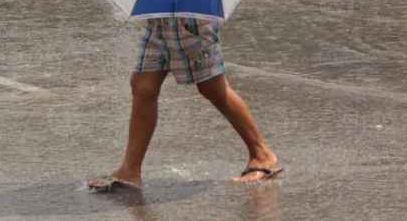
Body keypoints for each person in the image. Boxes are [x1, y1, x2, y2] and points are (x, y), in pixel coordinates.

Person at [88, 17, 280, 191]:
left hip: (189, 20)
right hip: (159, 20)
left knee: (212, 87)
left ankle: (261, 154)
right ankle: (130, 170)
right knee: (142, 86)